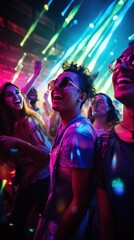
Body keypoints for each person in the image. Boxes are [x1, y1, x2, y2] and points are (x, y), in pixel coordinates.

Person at [34, 61, 97, 240]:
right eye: (54, 83)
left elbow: (80, 202)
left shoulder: (78, 134)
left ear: (81, 96)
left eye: (65, 83)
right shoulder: (66, 125)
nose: (56, 88)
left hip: (63, 226)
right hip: (53, 218)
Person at [0, 82, 52, 240]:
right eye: (9, 94)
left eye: (17, 92)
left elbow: (46, 155)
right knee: (17, 221)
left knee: (41, 224)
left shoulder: (28, 121)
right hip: (32, 181)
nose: (16, 96)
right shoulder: (15, 124)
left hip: (42, 181)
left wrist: (26, 177)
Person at [95, 44, 134, 240]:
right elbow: (106, 223)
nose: (121, 67)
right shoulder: (103, 143)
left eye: (133, 60)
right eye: (118, 63)